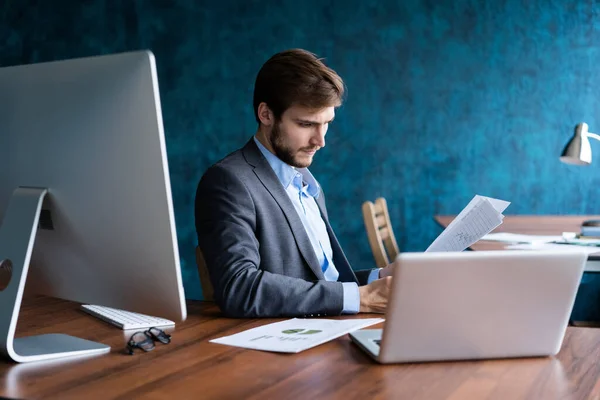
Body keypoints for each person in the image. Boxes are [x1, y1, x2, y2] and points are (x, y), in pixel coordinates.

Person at [195, 49, 393, 318]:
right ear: (265, 114)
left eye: (327, 124)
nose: (320, 140)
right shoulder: (228, 182)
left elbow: (319, 283)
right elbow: (239, 287)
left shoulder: (307, 185)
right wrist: (361, 299)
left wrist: (377, 278)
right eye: (306, 124)